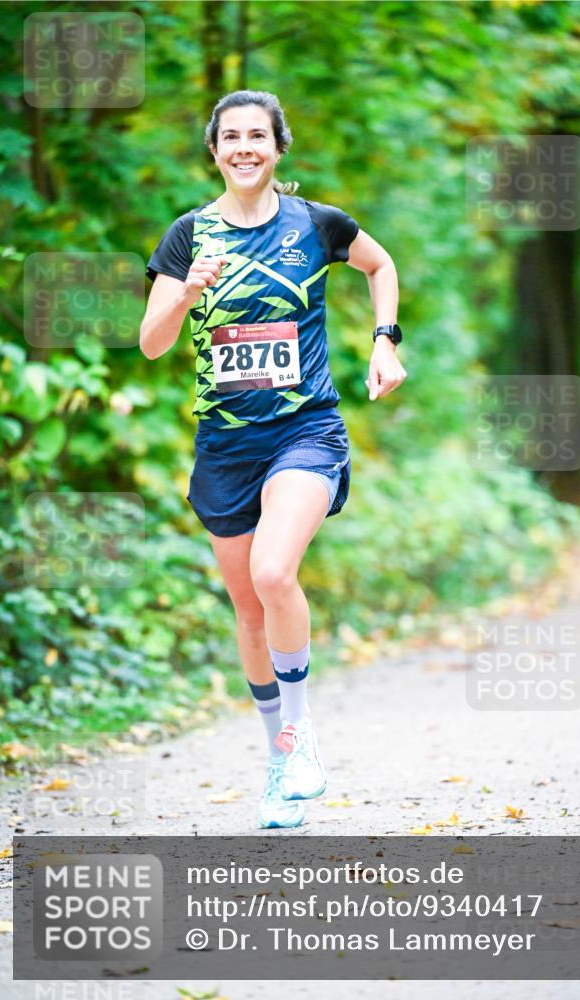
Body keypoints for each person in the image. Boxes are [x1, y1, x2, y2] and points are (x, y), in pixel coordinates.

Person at [140, 90, 406, 829]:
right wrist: (186, 292)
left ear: (278, 146)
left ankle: (302, 729)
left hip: (304, 431)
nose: (244, 147)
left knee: (272, 572)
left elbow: (379, 264)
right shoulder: (188, 235)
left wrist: (385, 340)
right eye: (231, 137)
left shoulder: (314, 223)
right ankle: (280, 759)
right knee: (249, 612)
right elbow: (151, 342)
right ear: (214, 149)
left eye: (258, 135)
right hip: (226, 446)